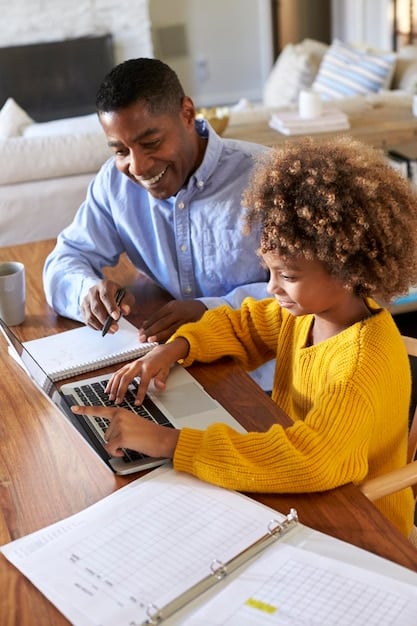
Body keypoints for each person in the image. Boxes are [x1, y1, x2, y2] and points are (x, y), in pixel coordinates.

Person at [72, 136, 417, 537]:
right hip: (305, 493)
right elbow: (245, 324)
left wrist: (172, 443)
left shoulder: (360, 364)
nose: (271, 288)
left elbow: (311, 460)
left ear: (348, 271)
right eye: (268, 270)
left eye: (287, 276)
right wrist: (177, 347)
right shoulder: (309, 313)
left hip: (359, 520)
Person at [42, 58, 273, 389]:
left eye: (151, 143)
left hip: (260, 376)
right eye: (121, 150)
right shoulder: (113, 184)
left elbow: (318, 290)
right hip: (172, 370)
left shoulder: (269, 177)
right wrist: (86, 292)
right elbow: (64, 260)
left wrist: (210, 310)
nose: (137, 166)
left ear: (187, 114)